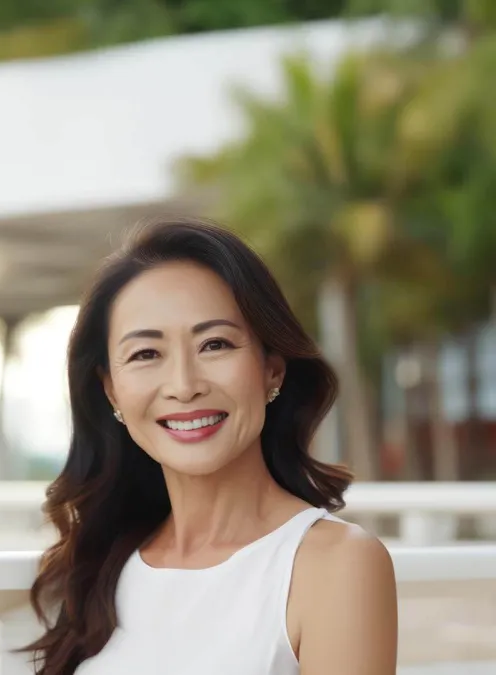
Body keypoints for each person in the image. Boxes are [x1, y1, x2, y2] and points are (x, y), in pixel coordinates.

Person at [21, 218, 397, 675]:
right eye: (146, 354)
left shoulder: (336, 564)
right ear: (111, 390)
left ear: (271, 371)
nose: (184, 385)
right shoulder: (96, 563)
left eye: (215, 344)